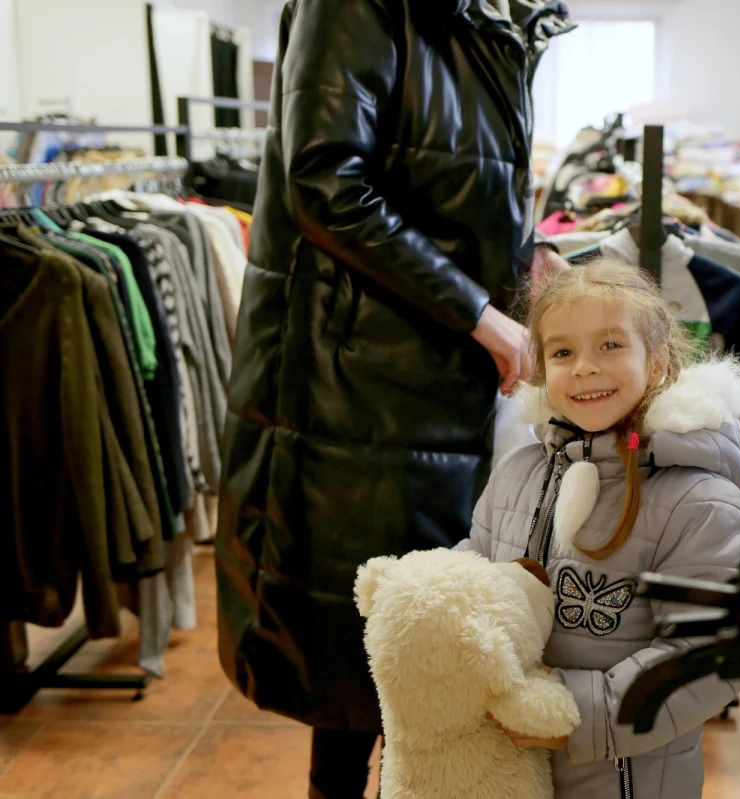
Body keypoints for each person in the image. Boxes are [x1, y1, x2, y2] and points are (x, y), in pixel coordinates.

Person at [214, 1, 574, 797]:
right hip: (356, 384)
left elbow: (450, 182)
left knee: (407, 642)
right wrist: (477, 311)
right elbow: (325, 179)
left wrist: (521, 249)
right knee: (355, 648)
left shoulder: (493, 16)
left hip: (435, 374)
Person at [455, 262, 740, 798]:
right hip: (506, 772)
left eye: (611, 345)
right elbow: (473, 568)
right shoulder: (519, 470)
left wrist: (572, 712)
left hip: (623, 780)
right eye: (563, 352)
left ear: (658, 360)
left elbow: (712, 656)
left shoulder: (699, 501)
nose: (585, 368)